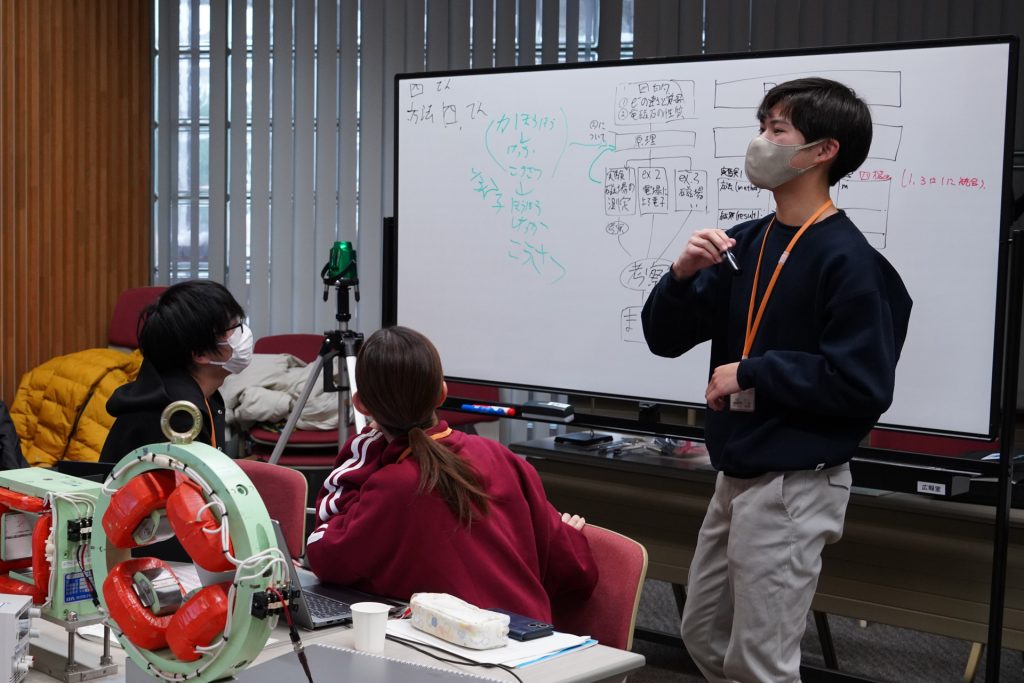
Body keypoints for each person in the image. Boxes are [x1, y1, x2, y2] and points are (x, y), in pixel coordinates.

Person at [642, 78, 912, 682]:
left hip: (796, 481)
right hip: (736, 470)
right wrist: (680, 277)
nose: (760, 141)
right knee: (704, 634)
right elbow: (664, 337)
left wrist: (754, 370)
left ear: (823, 151)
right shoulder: (746, 241)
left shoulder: (850, 261)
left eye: (777, 129)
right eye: (762, 127)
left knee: (761, 661)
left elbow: (862, 384)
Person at [305, 326, 597, 622]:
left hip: (456, 645)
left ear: (361, 405)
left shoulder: (391, 486)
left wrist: (366, 446)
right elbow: (576, 574)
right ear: (442, 394)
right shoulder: (502, 457)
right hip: (532, 641)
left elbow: (323, 556)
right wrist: (569, 538)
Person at [101, 280, 252, 462]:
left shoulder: (197, 395)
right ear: (200, 353)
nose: (243, 333)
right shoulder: (178, 418)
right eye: (234, 327)